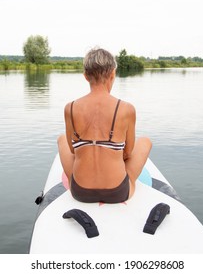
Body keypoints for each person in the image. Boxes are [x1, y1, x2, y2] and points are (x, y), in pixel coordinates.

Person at [57, 48, 152, 203]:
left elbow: (73, 150)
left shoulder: (70, 108)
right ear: (113, 74)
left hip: (80, 192)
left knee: (61, 139)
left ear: (86, 76)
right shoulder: (127, 109)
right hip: (118, 192)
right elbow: (127, 154)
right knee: (145, 141)